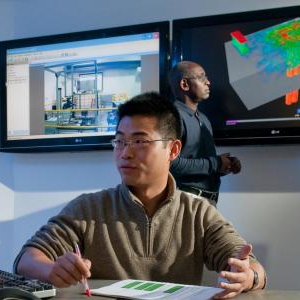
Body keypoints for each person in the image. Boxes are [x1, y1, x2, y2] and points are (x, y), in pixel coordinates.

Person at [14, 92, 266, 299]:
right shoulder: (88, 209)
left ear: (173, 149)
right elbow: (26, 259)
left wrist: (248, 276)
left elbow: (252, 266)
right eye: (120, 142)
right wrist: (51, 270)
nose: (125, 153)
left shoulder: (198, 212)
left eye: (140, 142)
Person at [169, 61, 241, 204]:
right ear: (184, 84)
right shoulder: (172, 116)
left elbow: (203, 167)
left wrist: (224, 166)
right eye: (201, 77)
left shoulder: (204, 119)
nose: (208, 82)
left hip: (208, 203)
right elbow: (170, 164)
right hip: (185, 203)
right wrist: (215, 163)